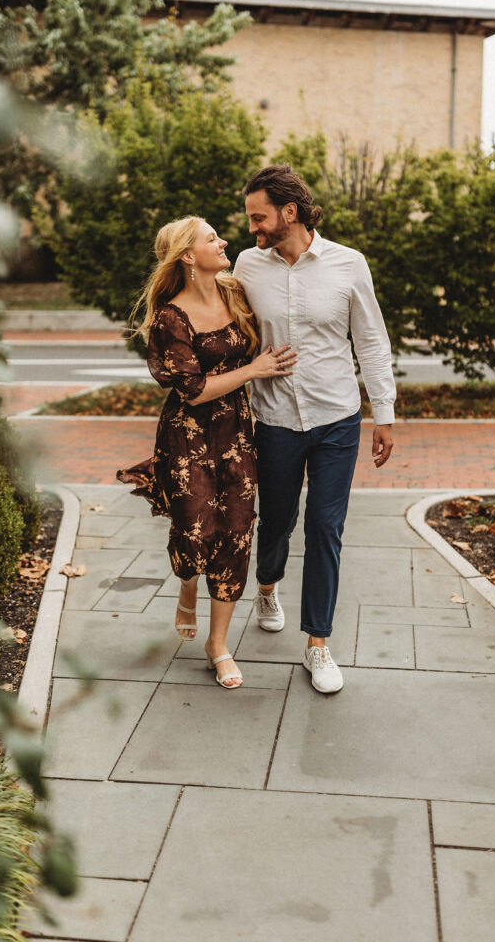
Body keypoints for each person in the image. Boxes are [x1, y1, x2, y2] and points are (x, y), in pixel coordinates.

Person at [234, 165, 396, 694]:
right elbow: (232, 334)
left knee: (325, 528)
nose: (252, 228)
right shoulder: (246, 266)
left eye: (259, 217)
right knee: (277, 521)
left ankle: (318, 645)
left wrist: (384, 412)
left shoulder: (349, 264)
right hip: (276, 421)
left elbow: (371, 341)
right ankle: (267, 585)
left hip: (337, 420)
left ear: (290, 211)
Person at [117, 215, 296, 689]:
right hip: (187, 437)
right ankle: (188, 584)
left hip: (237, 434)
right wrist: (255, 369)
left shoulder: (235, 292)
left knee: (236, 532)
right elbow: (193, 390)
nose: (224, 242)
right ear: (187, 257)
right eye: (211, 238)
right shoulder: (170, 318)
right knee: (197, 530)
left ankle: (218, 645)